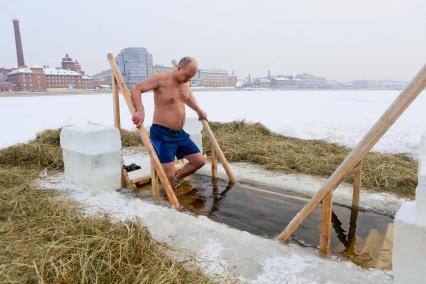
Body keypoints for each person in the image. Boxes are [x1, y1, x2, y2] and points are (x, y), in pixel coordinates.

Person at [130, 56, 206, 188]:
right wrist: (140, 110)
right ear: (179, 67)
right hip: (162, 133)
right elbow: (136, 88)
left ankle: (176, 180)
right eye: (188, 75)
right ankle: (170, 202)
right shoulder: (161, 78)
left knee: (199, 161)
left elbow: (187, 99)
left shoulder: (185, 82)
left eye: (192, 77)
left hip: (179, 134)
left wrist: (199, 110)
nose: (189, 79)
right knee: (168, 173)